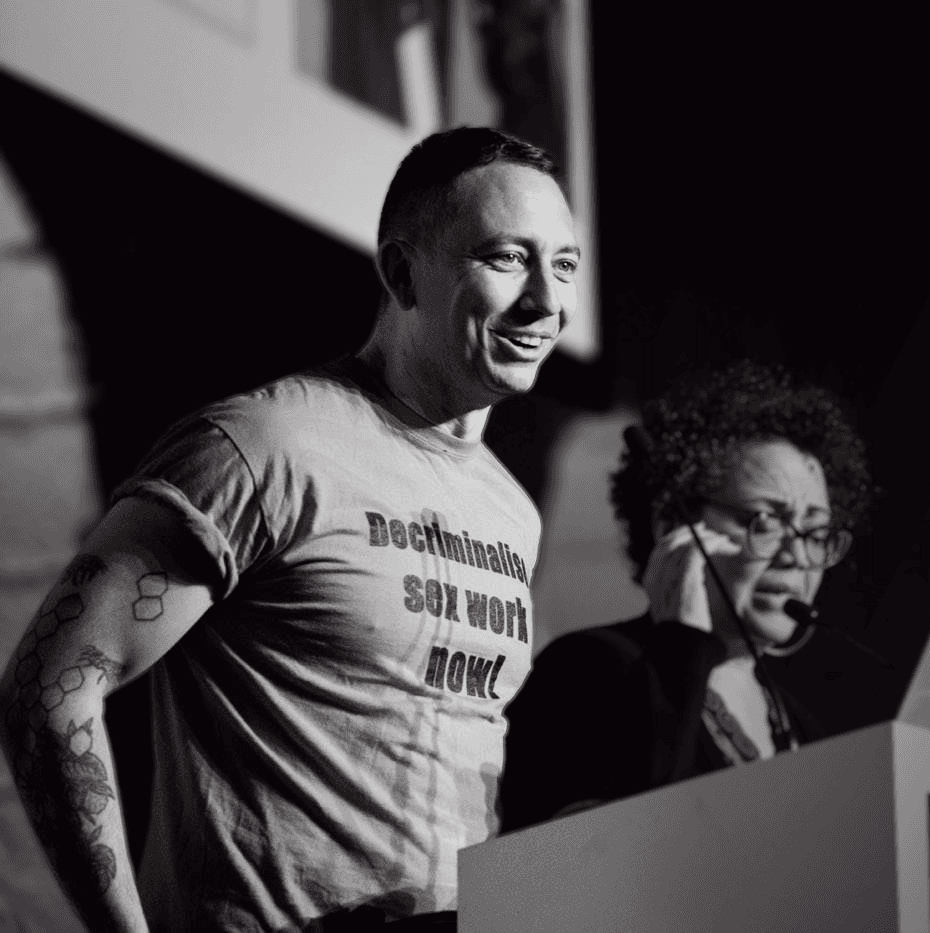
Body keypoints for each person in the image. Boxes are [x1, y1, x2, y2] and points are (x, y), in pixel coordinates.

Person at [0, 126, 579, 932]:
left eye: (564, 264)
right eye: (506, 258)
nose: (547, 301)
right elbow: (47, 691)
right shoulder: (266, 447)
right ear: (403, 273)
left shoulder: (511, 509)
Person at [499, 361, 874, 832]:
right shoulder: (588, 670)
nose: (797, 555)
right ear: (673, 527)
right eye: (765, 521)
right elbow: (621, 851)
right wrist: (683, 644)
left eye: (816, 532)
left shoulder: (802, 728)